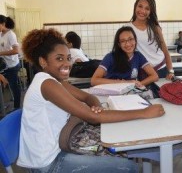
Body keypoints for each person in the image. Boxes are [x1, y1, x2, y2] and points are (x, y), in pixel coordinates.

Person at [17, 28, 165, 172]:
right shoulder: (47, 84)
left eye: (68, 58)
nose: (67, 64)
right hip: (49, 162)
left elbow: (88, 97)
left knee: (123, 153)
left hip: (63, 143)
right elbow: (93, 117)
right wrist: (144, 112)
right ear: (43, 62)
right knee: (128, 166)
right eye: (59, 58)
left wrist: (96, 107)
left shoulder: (55, 81)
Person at [91, 26, 159, 87]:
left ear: (135, 40)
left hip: (130, 92)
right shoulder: (110, 57)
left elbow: (154, 76)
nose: (128, 44)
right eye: (123, 41)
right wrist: (124, 82)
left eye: (130, 39)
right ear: (119, 44)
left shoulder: (138, 56)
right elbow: (94, 81)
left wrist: (139, 84)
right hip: (112, 93)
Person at [129, 0, 174, 80]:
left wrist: (171, 71)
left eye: (147, 8)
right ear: (135, 7)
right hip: (141, 73)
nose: (142, 11)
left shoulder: (155, 28)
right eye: (140, 6)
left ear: (151, 12)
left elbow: (165, 51)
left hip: (161, 69)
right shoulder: (127, 28)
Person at [0, 15, 21, 109]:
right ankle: (2, 107)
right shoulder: (1, 34)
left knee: (14, 87)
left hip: (12, 65)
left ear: (3, 24)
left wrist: (0, 53)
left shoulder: (11, 34)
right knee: (5, 85)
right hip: (4, 65)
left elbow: (16, 51)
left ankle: (17, 108)